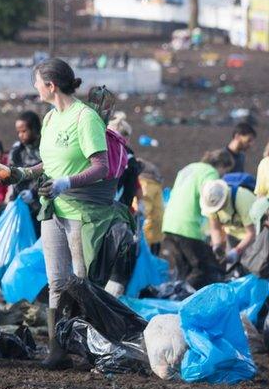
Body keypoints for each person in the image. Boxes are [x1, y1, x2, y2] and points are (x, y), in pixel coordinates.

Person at [0, 58, 115, 370]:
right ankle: (57, 349)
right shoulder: (50, 119)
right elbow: (47, 166)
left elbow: (101, 166)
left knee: (82, 280)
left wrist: (67, 182)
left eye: (38, 82)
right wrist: (22, 173)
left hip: (81, 211)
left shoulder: (84, 118)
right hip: (53, 209)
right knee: (57, 281)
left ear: (51, 85)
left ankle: (93, 347)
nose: (35, 87)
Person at [160, 149, 235, 290]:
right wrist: (215, 236)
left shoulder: (188, 168)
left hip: (169, 224)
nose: (223, 176)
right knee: (203, 269)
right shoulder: (210, 173)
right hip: (188, 227)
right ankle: (184, 297)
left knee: (183, 270)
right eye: (225, 171)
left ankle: (176, 300)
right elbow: (210, 199)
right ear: (220, 165)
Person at [201, 179, 258, 268]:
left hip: (255, 236)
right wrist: (217, 246)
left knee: (254, 266)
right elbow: (215, 228)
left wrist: (237, 251)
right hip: (233, 234)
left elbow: (252, 233)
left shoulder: (243, 199)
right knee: (232, 268)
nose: (218, 210)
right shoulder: (211, 204)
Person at [8, 110, 42, 229]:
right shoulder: (17, 152)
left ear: (35, 129)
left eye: (24, 131)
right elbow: (12, 175)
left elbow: (50, 174)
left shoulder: (45, 149)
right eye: (18, 132)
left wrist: (33, 193)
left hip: (42, 208)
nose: (20, 135)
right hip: (21, 205)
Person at [108, 113, 142, 210]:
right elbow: (130, 189)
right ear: (126, 138)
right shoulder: (129, 159)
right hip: (117, 208)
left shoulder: (99, 153)